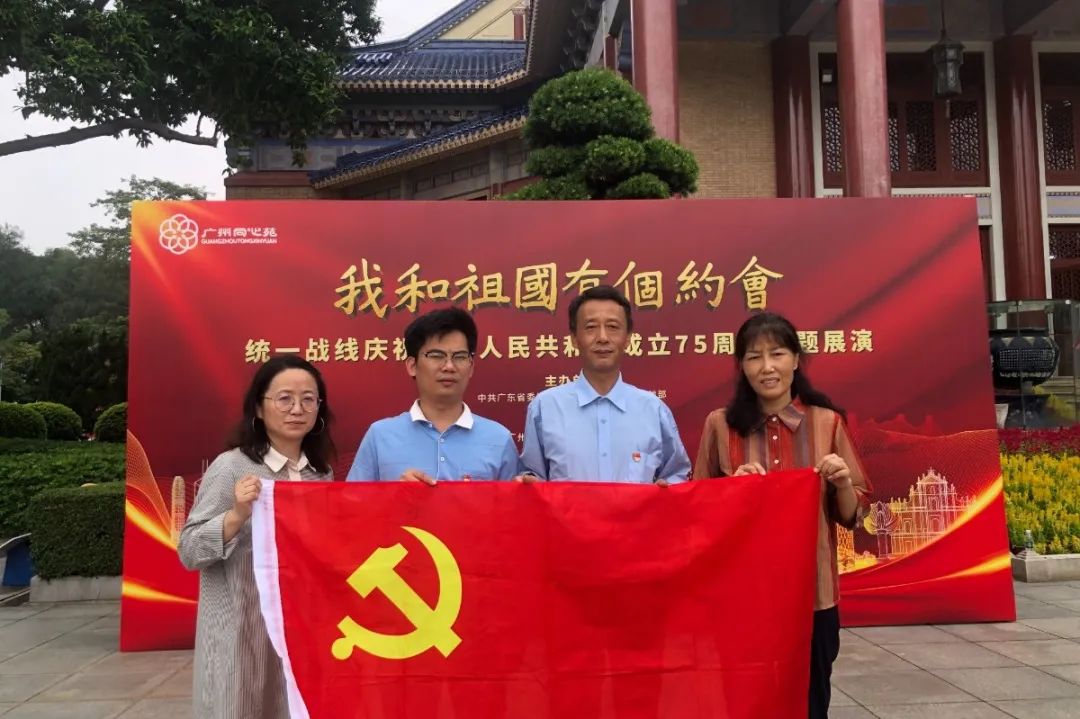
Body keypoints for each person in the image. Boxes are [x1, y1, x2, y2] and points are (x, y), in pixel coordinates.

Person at [693, 311, 872, 719]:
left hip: (813, 596)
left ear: (796, 359)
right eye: (754, 357)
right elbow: (697, 509)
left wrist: (843, 483)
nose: (767, 367)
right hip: (742, 597)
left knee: (810, 700)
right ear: (741, 366)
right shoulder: (720, 426)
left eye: (777, 353)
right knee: (743, 700)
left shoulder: (827, 422)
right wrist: (731, 490)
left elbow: (852, 515)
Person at [178, 355, 335, 719]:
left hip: (298, 630)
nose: (297, 409)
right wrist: (236, 516)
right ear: (260, 409)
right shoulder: (232, 467)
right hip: (240, 630)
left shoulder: (320, 473)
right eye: (284, 399)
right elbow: (189, 550)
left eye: (308, 399)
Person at [520, 284, 690, 484]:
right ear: (574, 338)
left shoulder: (653, 410)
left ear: (628, 338)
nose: (602, 338)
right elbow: (532, 477)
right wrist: (529, 483)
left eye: (613, 327)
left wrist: (668, 487)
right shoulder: (545, 407)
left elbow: (677, 474)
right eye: (591, 327)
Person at [346, 306, 518, 483]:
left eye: (459, 356)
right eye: (436, 355)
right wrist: (395, 493)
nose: (449, 366)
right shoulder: (380, 437)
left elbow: (515, 501)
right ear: (412, 366)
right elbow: (352, 500)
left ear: (471, 367)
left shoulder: (499, 439)